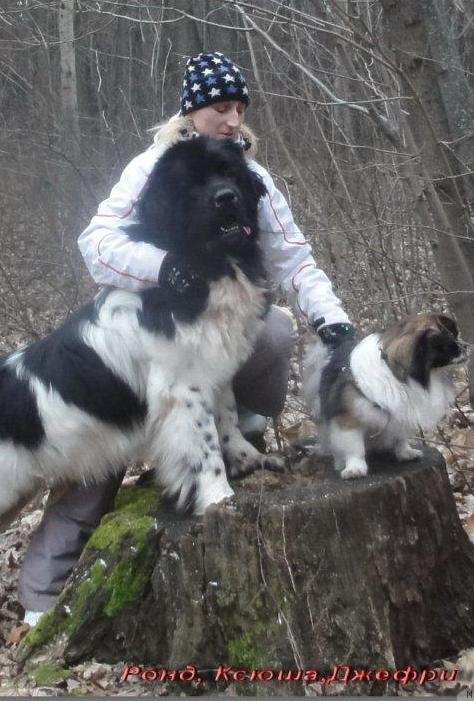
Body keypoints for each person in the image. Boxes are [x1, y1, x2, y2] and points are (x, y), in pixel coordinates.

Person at [19, 52, 354, 626]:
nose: (233, 119)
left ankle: (233, 442)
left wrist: (332, 318)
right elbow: (95, 242)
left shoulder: (251, 172)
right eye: (221, 108)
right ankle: (40, 599)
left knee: (273, 331)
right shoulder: (152, 165)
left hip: (215, 318)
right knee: (99, 456)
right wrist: (164, 265)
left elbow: (292, 257)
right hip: (142, 328)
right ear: (193, 110)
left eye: (241, 108)